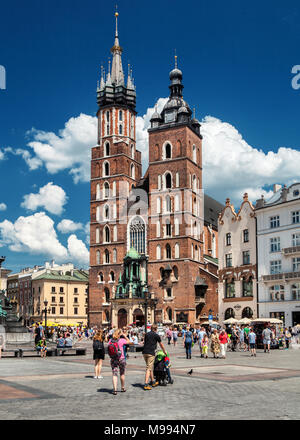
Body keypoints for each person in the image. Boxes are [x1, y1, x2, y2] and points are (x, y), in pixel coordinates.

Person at [108, 328, 133, 395]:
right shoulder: (122, 340)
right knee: (122, 374)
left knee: (114, 374)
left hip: (113, 359)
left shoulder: (110, 340)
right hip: (121, 359)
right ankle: (122, 387)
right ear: (119, 334)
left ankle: (115, 390)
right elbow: (130, 342)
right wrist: (124, 335)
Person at [143, 324, 167, 390]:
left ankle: (153, 381)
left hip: (144, 352)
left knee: (150, 367)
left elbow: (145, 342)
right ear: (156, 329)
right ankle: (146, 384)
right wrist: (164, 351)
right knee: (148, 368)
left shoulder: (147, 334)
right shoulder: (156, 335)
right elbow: (161, 344)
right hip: (151, 353)